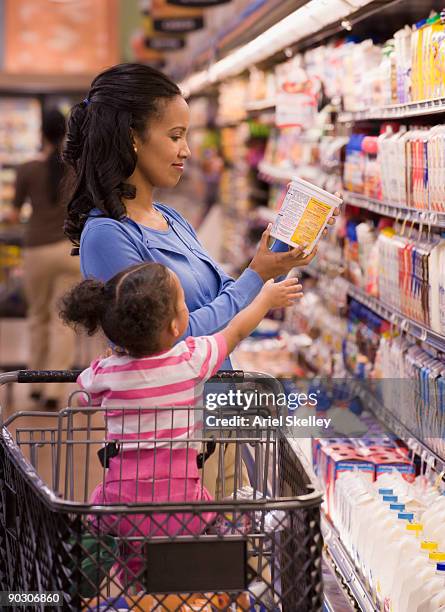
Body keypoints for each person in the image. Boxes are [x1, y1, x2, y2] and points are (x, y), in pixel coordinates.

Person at [63, 62, 339, 494]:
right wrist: (255, 280)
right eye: (175, 136)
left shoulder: (170, 219)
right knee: (198, 557)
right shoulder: (108, 235)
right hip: (173, 447)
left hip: (216, 418)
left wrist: (265, 266)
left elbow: (220, 295)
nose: (187, 150)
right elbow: (167, 340)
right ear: (132, 138)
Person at [59, 260, 303, 584]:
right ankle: (218, 581)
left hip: (121, 510)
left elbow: (87, 395)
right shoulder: (190, 359)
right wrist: (265, 299)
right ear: (174, 328)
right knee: (232, 508)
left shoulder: (107, 374)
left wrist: (110, 359)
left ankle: (92, 572)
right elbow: (237, 330)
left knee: (119, 545)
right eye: (183, 303)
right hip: (185, 509)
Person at [13, 108, 79, 409]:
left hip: (36, 249)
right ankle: (54, 390)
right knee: (62, 321)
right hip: (68, 250)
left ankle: (35, 384)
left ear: (41, 134)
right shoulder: (75, 168)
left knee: (37, 317)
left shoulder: (27, 169)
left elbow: (15, 213)